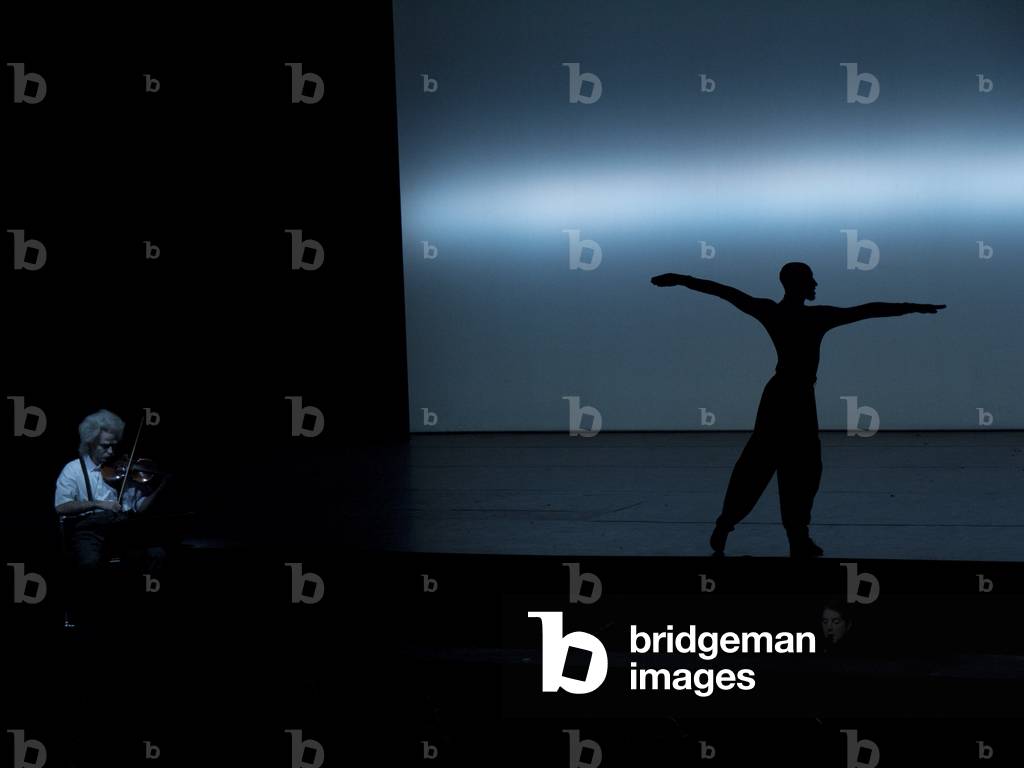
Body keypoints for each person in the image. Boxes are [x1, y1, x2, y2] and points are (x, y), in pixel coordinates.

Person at [651, 262, 945, 557]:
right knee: (786, 466)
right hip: (794, 397)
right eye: (811, 279)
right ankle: (775, 532)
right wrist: (913, 306)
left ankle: (763, 531)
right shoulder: (813, 317)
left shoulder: (775, 312)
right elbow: (865, 310)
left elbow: (725, 292)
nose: (816, 284)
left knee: (771, 464)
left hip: (785, 395)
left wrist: (681, 279)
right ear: (799, 284)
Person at [55, 409, 170, 626]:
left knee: (157, 554)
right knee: (90, 564)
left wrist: (160, 487)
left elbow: (139, 507)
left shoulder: (122, 470)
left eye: (114, 445)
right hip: (87, 528)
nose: (111, 451)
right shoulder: (73, 469)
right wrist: (98, 503)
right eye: (105, 446)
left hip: (120, 526)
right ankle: (92, 616)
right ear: (90, 443)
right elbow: (61, 507)